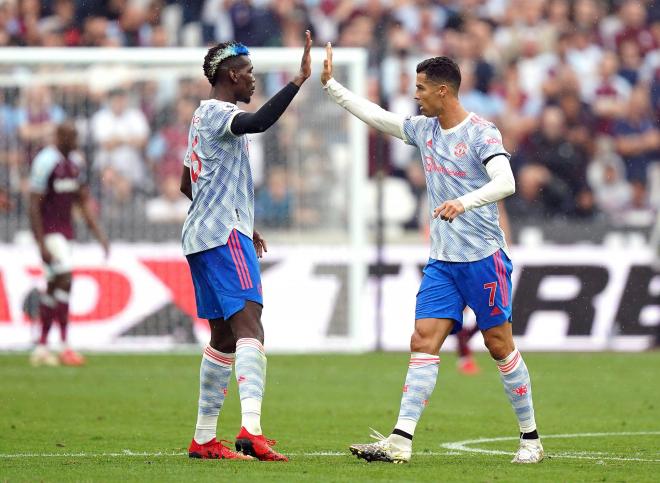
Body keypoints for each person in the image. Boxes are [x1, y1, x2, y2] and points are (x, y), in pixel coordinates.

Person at [321, 45, 543, 464]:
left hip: (483, 258)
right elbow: (379, 118)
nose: (415, 95)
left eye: (421, 88)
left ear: (444, 91)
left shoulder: (482, 132)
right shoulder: (425, 130)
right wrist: (333, 87)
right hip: (443, 261)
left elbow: (506, 182)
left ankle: (530, 439)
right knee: (423, 341)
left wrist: (465, 202)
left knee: (499, 345)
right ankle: (400, 441)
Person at [180, 31, 312, 461]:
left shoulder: (200, 119)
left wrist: (237, 214)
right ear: (232, 75)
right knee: (250, 326)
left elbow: (188, 182)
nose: (254, 81)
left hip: (201, 236)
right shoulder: (220, 113)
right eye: (250, 73)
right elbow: (258, 122)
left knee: (222, 336)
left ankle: (203, 439)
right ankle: (251, 430)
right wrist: (298, 80)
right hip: (223, 237)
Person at [29, 122, 109, 367]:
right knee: (66, 279)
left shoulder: (75, 164)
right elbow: (33, 204)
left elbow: (83, 202)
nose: (75, 141)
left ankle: (42, 347)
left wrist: (100, 236)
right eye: (71, 137)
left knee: (54, 285)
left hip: (66, 233)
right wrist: (40, 242)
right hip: (50, 233)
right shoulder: (45, 161)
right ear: (60, 137)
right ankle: (64, 346)